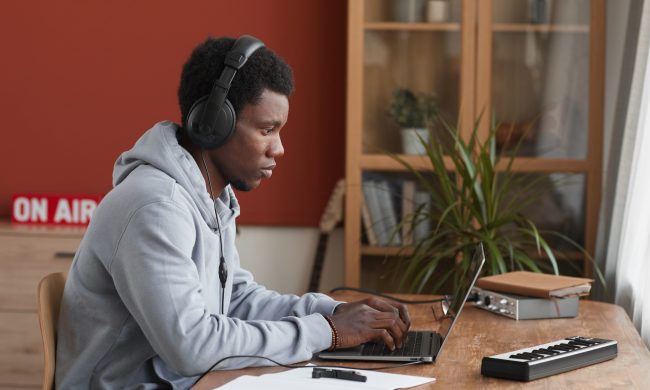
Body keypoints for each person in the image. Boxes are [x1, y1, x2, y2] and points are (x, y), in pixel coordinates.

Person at [55, 35, 411, 389]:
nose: (280, 149)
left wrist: (332, 312)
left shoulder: (211, 198)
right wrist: (328, 332)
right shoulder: (155, 208)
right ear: (213, 124)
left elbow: (237, 299)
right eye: (266, 130)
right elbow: (193, 346)